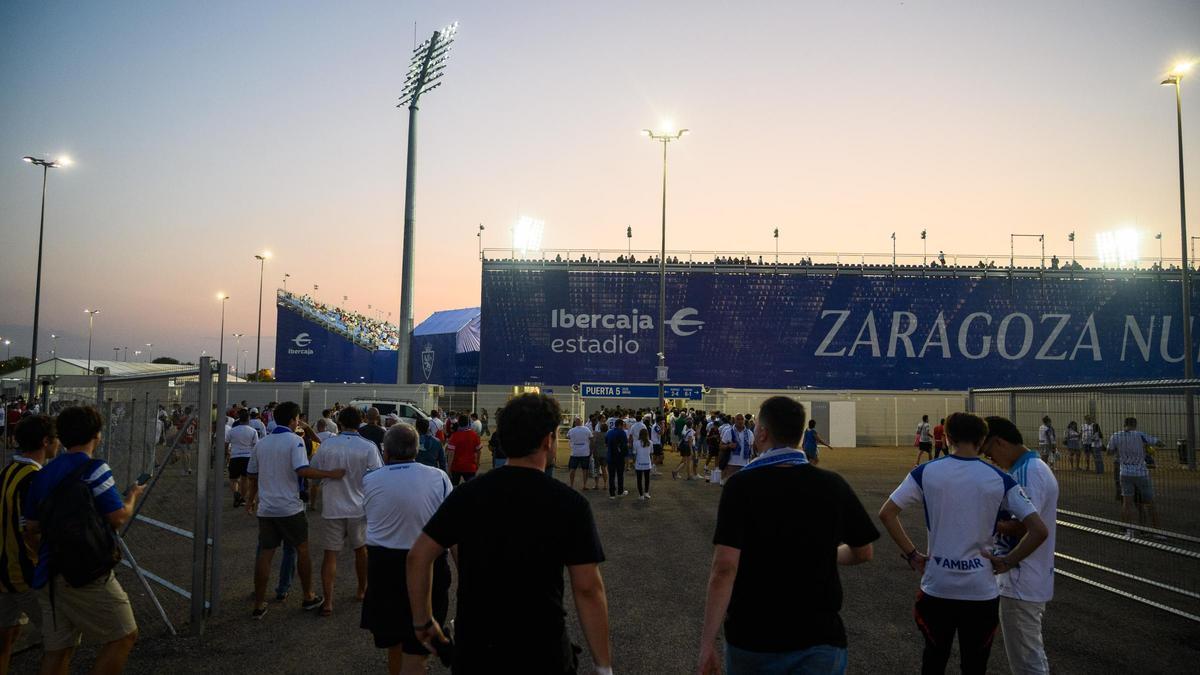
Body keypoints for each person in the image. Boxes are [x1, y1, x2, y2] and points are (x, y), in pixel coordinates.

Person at [406, 393, 612, 673]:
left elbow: (419, 556)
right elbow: (587, 588)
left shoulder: (467, 495)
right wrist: (603, 666)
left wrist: (423, 620)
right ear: (548, 440)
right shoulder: (569, 504)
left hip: (476, 649)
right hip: (542, 649)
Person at [699, 396, 878, 674]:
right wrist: (823, 551)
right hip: (820, 638)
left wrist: (707, 643)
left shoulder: (741, 487)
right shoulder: (832, 485)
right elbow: (863, 551)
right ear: (798, 434)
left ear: (762, 433)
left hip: (753, 637)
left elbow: (724, 567)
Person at [878, 412, 1049, 675]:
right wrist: (1007, 562)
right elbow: (1038, 530)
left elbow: (887, 513)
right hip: (980, 591)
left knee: (933, 660)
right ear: (982, 440)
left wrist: (913, 555)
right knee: (974, 665)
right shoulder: (1000, 479)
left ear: (947, 437)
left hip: (938, 587)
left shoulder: (926, 472)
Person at [23, 406, 145, 674]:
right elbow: (118, 517)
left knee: (57, 649)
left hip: (48, 571)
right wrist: (133, 495)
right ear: (97, 436)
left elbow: (31, 526)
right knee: (124, 634)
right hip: (84, 572)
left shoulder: (42, 474)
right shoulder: (95, 469)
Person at [361, 424, 453, 675]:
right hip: (430, 565)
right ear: (416, 449)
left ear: (386, 452)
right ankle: (433, 652)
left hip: (384, 567)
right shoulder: (439, 477)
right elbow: (453, 529)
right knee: (421, 637)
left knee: (394, 641)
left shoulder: (370, 480)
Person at [245, 401, 346, 619]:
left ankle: (259, 603)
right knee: (302, 550)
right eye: (297, 418)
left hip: (267, 508)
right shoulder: (295, 441)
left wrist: (250, 499)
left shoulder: (262, 443)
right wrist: (330, 474)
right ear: (293, 420)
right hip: (289, 507)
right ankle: (308, 595)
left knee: (265, 554)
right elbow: (302, 470)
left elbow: (252, 474)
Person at [982, 417, 1058, 675]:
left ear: (1000, 442)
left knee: (1027, 661)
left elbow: (1024, 526)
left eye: (989, 451)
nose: (990, 459)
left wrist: (989, 519)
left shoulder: (1026, 472)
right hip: (1026, 578)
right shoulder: (1033, 467)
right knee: (1029, 655)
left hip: (1020, 579)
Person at [310, 406, 383, 616]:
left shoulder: (327, 445)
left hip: (333, 506)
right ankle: (362, 589)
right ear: (360, 422)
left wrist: (329, 474)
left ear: (339, 423)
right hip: (358, 507)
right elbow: (377, 477)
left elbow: (313, 471)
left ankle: (328, 602)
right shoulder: (368, 446)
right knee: (361, 550)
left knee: (330, 554)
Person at [0, 415, 54, 675]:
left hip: (3, 571)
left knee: (6, 636)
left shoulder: (7, 471)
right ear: (46, 441)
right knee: (59, 640)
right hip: (26, 573)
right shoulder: (34, 478)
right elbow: (31, 529)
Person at [1108, 417, 1163, 535]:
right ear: (1135, 424)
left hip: (1125, 472)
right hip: (1140, 472)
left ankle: (1129, 530)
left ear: (1124, 424)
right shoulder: (1140, 435)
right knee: (1149, 502)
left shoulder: (1116, 436)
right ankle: (1157, 532)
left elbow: (1109, 451)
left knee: (1126, 503)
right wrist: (1147, 447)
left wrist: (1119, 451)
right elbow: (1159, 443)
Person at [227, 409, 258, 508]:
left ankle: (236, 493)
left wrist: (227, 452)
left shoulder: (232, 430)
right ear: (248, 419)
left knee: (233, 479)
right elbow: (255, 445)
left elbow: (226, 443)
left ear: (239, 419)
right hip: (247, 457)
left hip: (235, 456)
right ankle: (242, 498)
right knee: (245, 479)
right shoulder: (253, 431)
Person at [446, 415, 482, 485]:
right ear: (468, 423)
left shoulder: (455, 436)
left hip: (456, 467)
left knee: (454, 487)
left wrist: (449, 468)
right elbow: (479, 451)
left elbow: (451, 454)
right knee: (471, 489)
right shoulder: (474, 435)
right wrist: (477, 463)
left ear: (459, 423)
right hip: (470, 467)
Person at [720, 414, 754, 482]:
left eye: (742, 419)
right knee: (731, 486)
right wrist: (728, 446)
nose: (740, 421)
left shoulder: (749, 433)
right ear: (734, 421)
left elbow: (751, 448)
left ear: (744, 421)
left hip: (745, 464)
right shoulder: (728, 432)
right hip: (731, 464)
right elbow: (721, 446)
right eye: (738, 419)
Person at [566, 417, 593, 490]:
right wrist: (591, 449)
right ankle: (584, 485)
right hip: (585, 452)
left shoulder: (571, 430)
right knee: (585, 470)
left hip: (574, 453)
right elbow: (591, 438)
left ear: (575, 422)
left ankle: (571, 485)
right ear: (582, 422)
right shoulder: (587, 429)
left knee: (572, 469)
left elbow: (568, 437)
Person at [606, 418, 629, 498]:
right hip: (619, 457)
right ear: (620, 425)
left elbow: (606, 443)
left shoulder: (609, 432)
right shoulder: (622, 433)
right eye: (623, 425)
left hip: (610, 457)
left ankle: (612, 494)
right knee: (620, 475)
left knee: (611, 476)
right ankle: (620, 491)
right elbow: (625, 444)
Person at [633, 428, 653, 500]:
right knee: (647, 479)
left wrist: (634, 463)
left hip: (639, 463)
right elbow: (651, 454)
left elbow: (635, 454)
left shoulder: (636, 443)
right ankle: (646, 493)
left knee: (639, 479)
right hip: (647, 463)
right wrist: (652, 462)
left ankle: (641, 495)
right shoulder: (650, 442)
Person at [590, 422, 609, 490]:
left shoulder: (596, 434)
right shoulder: (608, 435)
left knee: (596, 469)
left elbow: (592, 443)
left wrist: (591, 451)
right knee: (604, 469)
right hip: (605, 454)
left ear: (600, 428)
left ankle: (596, 484)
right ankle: (605, 485)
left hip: (597, 454)